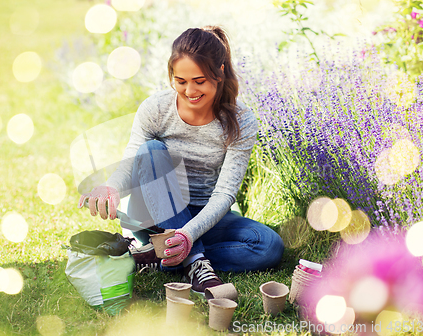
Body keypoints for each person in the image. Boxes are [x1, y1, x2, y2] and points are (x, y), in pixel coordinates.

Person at [78, 26, 284, 295]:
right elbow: (133, 158)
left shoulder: (241, 121)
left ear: (219, 73)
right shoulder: (156, 109)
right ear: (171, 76)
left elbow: (224, 193)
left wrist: (189, 234)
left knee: (268, 246)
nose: (190, 91)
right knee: (152, 150)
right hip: (152, 213)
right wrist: (112, 187)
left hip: (202, 214)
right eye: (181, 81)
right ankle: (196, 263)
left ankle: (161, 256)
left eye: (199, 81)